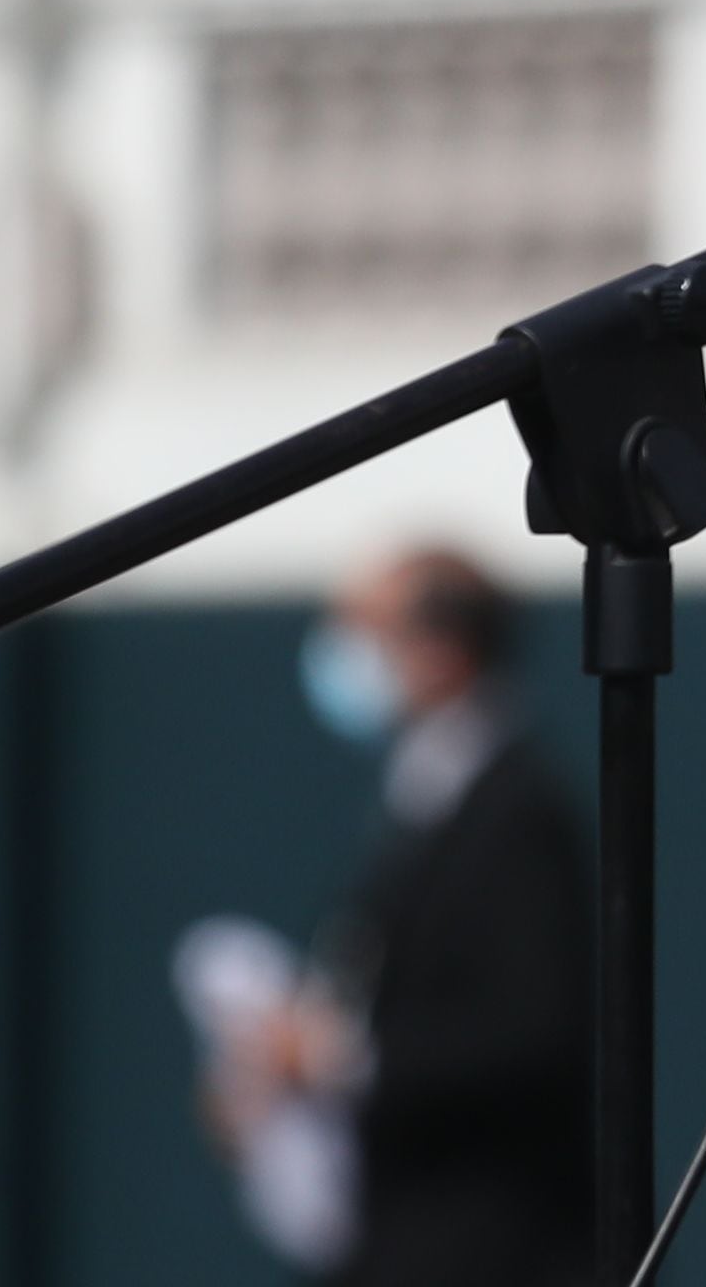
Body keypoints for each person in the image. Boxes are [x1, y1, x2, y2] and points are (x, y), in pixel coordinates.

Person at [201, 547, 593, 1287]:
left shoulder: (520, 810)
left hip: (495, 1253)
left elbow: (532, 1031)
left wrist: (333, 1057)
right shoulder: (420, 799)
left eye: (366, 630)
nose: (345, 657)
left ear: (442, 648)